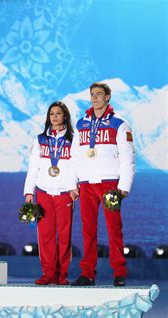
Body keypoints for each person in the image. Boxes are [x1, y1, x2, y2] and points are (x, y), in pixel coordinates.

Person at [71, 82, 135, 287]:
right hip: (87, 184)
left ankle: (119, 273)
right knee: (87, 231)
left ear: (108, 97)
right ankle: (88, 273)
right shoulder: (81, 124)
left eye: (99, 94)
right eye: (92, 94)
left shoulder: (120, 124)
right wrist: (74, 183)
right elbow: (74, 156)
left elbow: (128, 157)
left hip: (109, 184)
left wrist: (124, 186)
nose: (95, 98)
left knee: (114, 229)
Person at [23, 101, 78, 285]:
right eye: (51, 114)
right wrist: (29, 192)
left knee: (64, 235)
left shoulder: (73, 139)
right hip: (44, 192)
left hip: (64, 193)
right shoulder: (40, 139)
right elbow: (33, 167)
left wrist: (72, 187)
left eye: (58, 113)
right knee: (45, 234)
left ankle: (62, 274)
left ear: (65, 116)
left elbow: (74, 166)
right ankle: (48, 273)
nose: (54, 116)